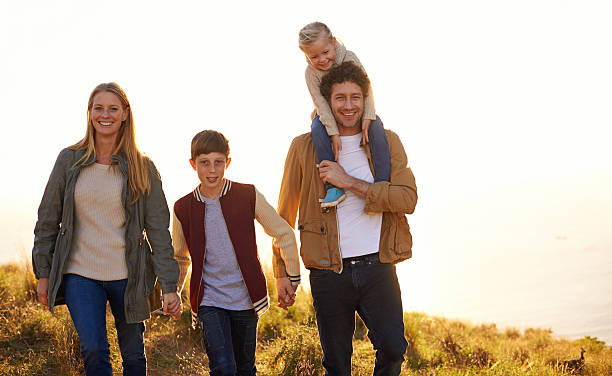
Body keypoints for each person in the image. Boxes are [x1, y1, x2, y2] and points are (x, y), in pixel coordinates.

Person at [275, 61, 418, 375]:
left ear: (366, 100)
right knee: (337, 365)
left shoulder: (387, 142)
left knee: (394, 349)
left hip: (378, 266)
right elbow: (282, 215)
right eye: (340, 98)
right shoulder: (303, 147)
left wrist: (348, 182)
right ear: (326, 103)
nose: (349, 105)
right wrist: (282, 272)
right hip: (329, 272)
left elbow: (407, 199)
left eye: (356, 97)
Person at [32, 82, 182, 376]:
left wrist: (168, 285)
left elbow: (159, 231)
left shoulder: (142, 167)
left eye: (113, 108)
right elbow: (47, 220)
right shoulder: (69, 160)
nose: (105, 115)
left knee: (134, 358)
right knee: (94, 352)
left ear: (125, 114)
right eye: (98, 108)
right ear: (89, 113)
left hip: (129, 276)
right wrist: (43, 273)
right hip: (80, 274)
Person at [172, 130, 301, 376]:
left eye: (218, 162)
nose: (212, 170)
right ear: (193, 165)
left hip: (246, 300)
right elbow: (180, 257)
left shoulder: (247, 195)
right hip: (209, 300)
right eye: (204, 163)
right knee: (223, 367)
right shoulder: (182, 207)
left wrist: (291, 277)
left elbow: (283, 232)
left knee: (245, 369)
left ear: (227, 163)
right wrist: (173, 291)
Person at [299, 21, 391, 208]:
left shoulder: (349, 58)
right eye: (314, 56)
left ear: (333, 42)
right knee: (317, 128)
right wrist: (333, 133)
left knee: (376, 127)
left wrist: (368, 116)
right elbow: (321, 104)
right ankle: (334, 187)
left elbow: (366, 88)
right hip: (326, 112)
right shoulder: (311, 73)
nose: (322, 60)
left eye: (325, 53)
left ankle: (383, 183)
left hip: (360, 108)